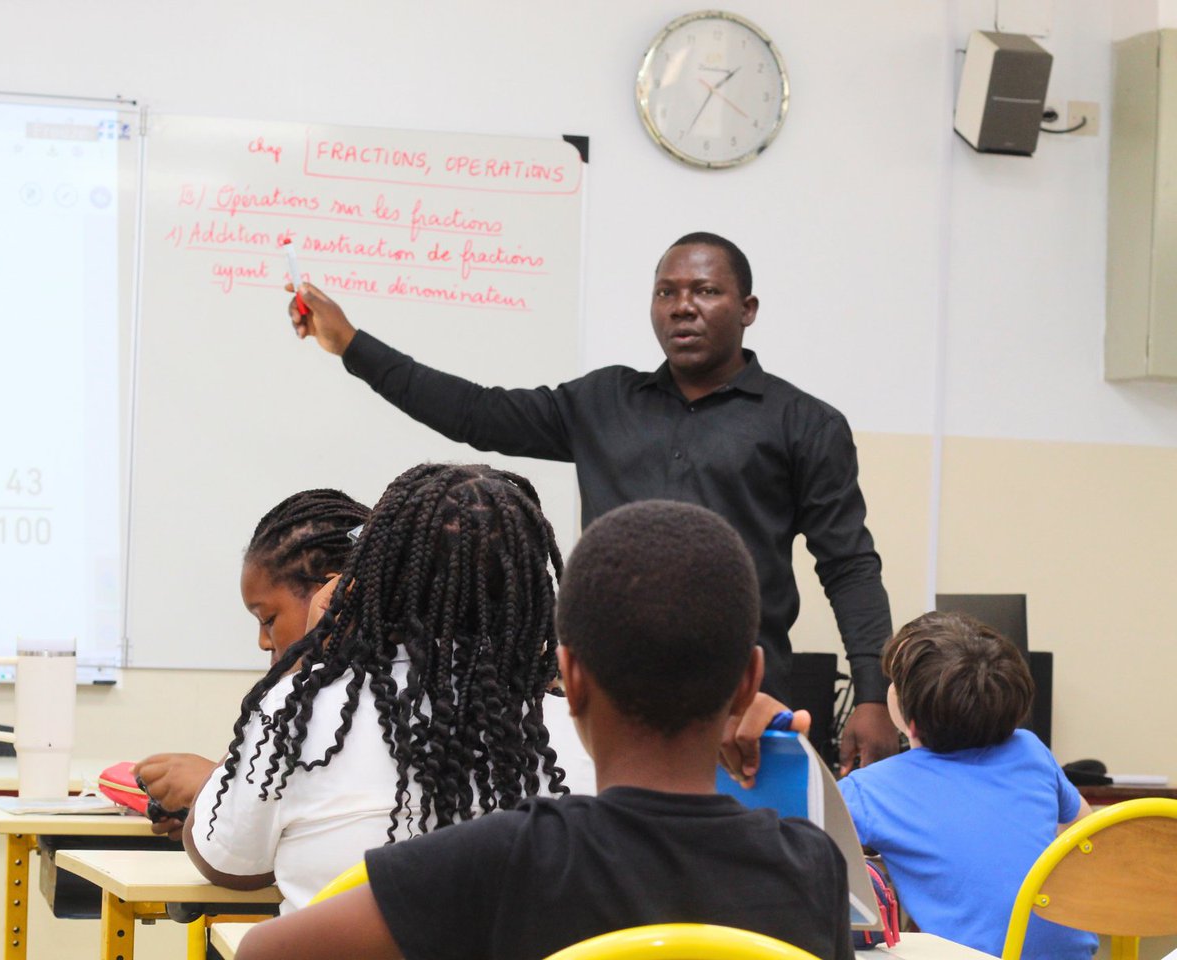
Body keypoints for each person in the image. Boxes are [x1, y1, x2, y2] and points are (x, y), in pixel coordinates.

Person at [286, 231, 897, 771]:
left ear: (747, 308)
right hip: (608, 701)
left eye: (705, 291)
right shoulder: (603, 402)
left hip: (743, 709)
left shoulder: (805, 424)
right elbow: (476, 412)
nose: (683, 306)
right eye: (667, 292)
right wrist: (352, 346)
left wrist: (872, 695)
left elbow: (848, 566)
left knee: (733, 887)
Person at [233, 500, 855, 960]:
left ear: (569, 678)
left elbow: (262, 954)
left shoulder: (502, 858)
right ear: (749, 682)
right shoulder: (814, 870)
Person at [183, 464, 594, 911]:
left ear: (367, 578)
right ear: (531, 589)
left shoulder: (297, 719)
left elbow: (228, 862)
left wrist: (313, 661)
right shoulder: (583, 736)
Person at [835, 613, 1096, 959]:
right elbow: (1084, 831)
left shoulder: (867, 790)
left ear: (910, 723)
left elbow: (809, 858)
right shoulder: (1030, 749)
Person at [134, 488, 371, 840]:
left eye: (268, 618)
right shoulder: (304, 704)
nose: (263, 641)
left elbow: (327, 825)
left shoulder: (370, 701)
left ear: (334, 593)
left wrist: (214, 788)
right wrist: (207, 808)